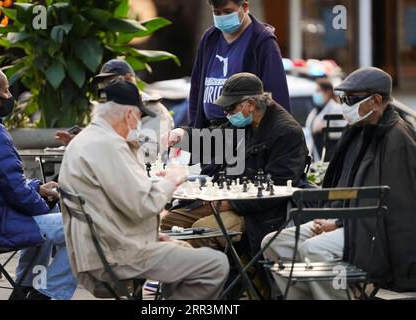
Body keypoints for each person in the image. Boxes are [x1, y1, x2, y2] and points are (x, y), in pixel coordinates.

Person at [58, 80, 229, 300]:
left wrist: (150, 235)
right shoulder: (109, 145)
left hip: (99, 249)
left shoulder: (85, 140)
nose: (139, 124)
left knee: (183, 251)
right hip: (114, 256)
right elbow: (144, 205)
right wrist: (172, 179)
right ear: (130, 114)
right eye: (140, 118)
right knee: (215, 264)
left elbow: (116, 203)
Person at [262, 67, 416, 300]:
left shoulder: (398, 140)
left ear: (375, 100)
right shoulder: (358, 130)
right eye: (342, 98)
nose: (343, 104)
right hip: (344, 219)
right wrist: (334, 219)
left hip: (373, 233)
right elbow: (342, 186)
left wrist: (339, 223)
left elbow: (396, 209)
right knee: (274, 243)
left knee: (313, 249)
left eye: (351, 99)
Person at [161, 73, 308, 255]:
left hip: (260, 213)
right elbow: (213, 139)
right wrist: (182, 135)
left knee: (203, 230)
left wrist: (231, 203)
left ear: (250, 104)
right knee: (169, 222)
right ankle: (180, 279)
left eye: (230, 108)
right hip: (223, 200)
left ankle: (215, 278)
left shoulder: (286, 132)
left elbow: (277, 188)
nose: (226, 113)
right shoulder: (242, 123)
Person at [0, 63, 78, 300]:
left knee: (49, 208)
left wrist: (38, 189)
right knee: (86, 226)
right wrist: (43, 201)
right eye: (5, 91)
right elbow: (16, 193)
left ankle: (24, 289)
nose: (9, 97)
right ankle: (46, 295)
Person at [188, 0, 290, 130]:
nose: (222, 17)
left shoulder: (262, 41)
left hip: (247, 136)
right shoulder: (210, 38)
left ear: (245, 7)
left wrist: (275, 137)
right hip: (209, 133)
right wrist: (193, 129)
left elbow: (277, 96)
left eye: (228, 12)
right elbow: (196, 88)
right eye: (217, 13)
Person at [55, 59, 174, 152]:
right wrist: (80, 140)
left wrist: (93, 143)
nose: (106, 88)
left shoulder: (153, 109)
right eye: (103, 84)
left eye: (110, 82)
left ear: (128, 78)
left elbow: (149, 152)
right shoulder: (111, 108)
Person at [306, 78, 346, 161]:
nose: (316, 94)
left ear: (328, 92)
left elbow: (345, 130)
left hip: (331, 155)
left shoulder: (337, 109)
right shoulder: (316, 111)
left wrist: (327, 128)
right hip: (317, 154)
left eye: (318, 90)